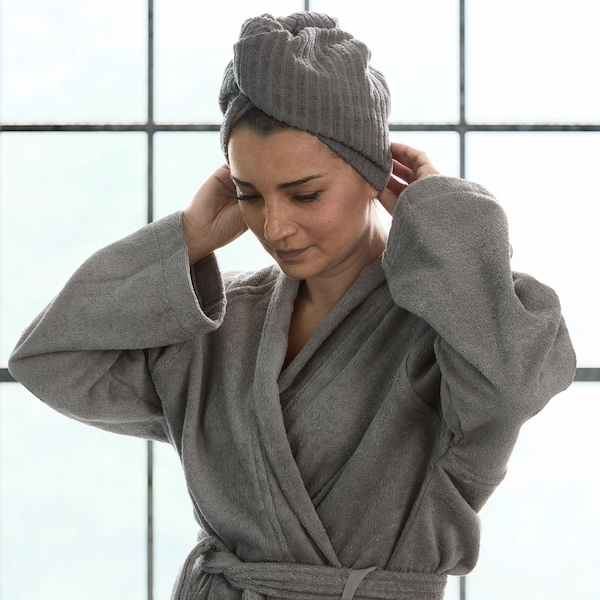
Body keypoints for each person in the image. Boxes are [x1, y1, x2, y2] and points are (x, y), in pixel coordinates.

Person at [9, 11, 576, 600]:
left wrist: (440, 213)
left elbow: (513, 381)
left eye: (305, 194)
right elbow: (49, 360)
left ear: (373, 173)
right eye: (250, 195)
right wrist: (188, 237)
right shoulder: (219, 323)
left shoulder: (450, 330)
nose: (275, 227)